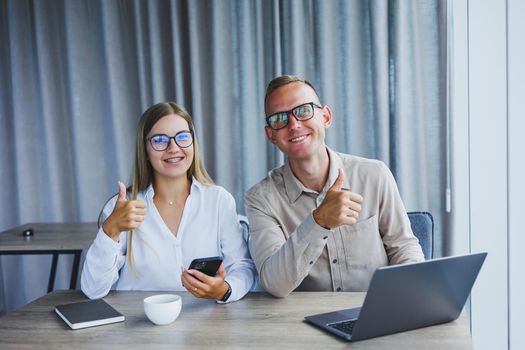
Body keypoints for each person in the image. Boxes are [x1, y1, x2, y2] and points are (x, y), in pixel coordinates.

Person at [245, 75, 424, 298]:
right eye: (280, 118)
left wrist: (409, 294)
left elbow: (404, 247)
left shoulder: (374, 175)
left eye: (303, 110)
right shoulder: (260, 199)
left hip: (375, 311)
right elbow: (275, 284)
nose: (294, 124)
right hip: (303, 325)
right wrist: (318, 222)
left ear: (326, 117)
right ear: (271, 135)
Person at [81, 102, 256, 302]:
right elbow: (92, 290)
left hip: (204, 325)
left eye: (182, 137)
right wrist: (110, 229)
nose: (173, 148)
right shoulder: (121, 207)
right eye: (159, 140)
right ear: (145, 150)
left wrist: (224, 290)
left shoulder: (218, 200)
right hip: (136, 326)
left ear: (193, 144)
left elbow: (242, 266)